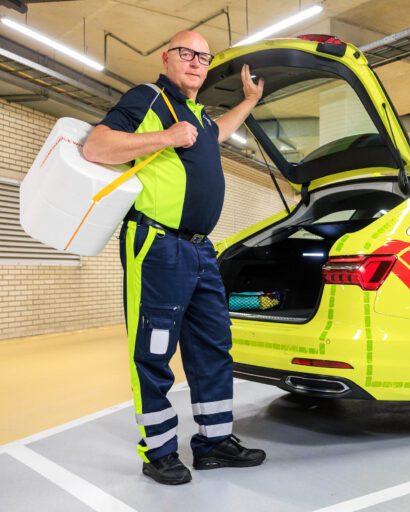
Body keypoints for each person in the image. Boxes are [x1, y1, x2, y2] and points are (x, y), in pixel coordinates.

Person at [83, 30, 265, 485]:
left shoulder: (199, 116)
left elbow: (219, 132)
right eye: (187, 53)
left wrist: (249, 101)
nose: (196, 62)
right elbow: (96, 147)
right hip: (157, 244)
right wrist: (165, 137)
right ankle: (159, 451)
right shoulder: (147, 98)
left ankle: (214, 442)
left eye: (204, 57)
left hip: (201, 248)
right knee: (154, 350)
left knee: (213, 346)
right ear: (166, 58)